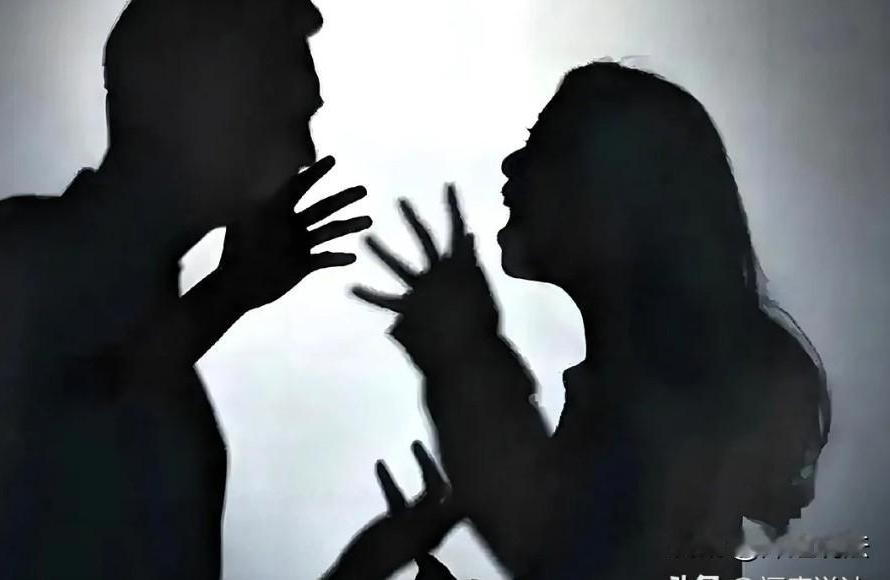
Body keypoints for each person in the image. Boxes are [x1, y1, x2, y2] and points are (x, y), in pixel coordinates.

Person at [0, 0, 373, 580]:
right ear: (203, 105)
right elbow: (53, 445)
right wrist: (228, 293)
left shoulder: (164, 358)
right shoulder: (18, 248)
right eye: (286, 116)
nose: (305, 152)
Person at [352, 61, 832, 579]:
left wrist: (464, 359)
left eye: (542, 148)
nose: (512, 164)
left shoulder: (661, 402)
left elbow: (555, 549)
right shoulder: (657, 390)